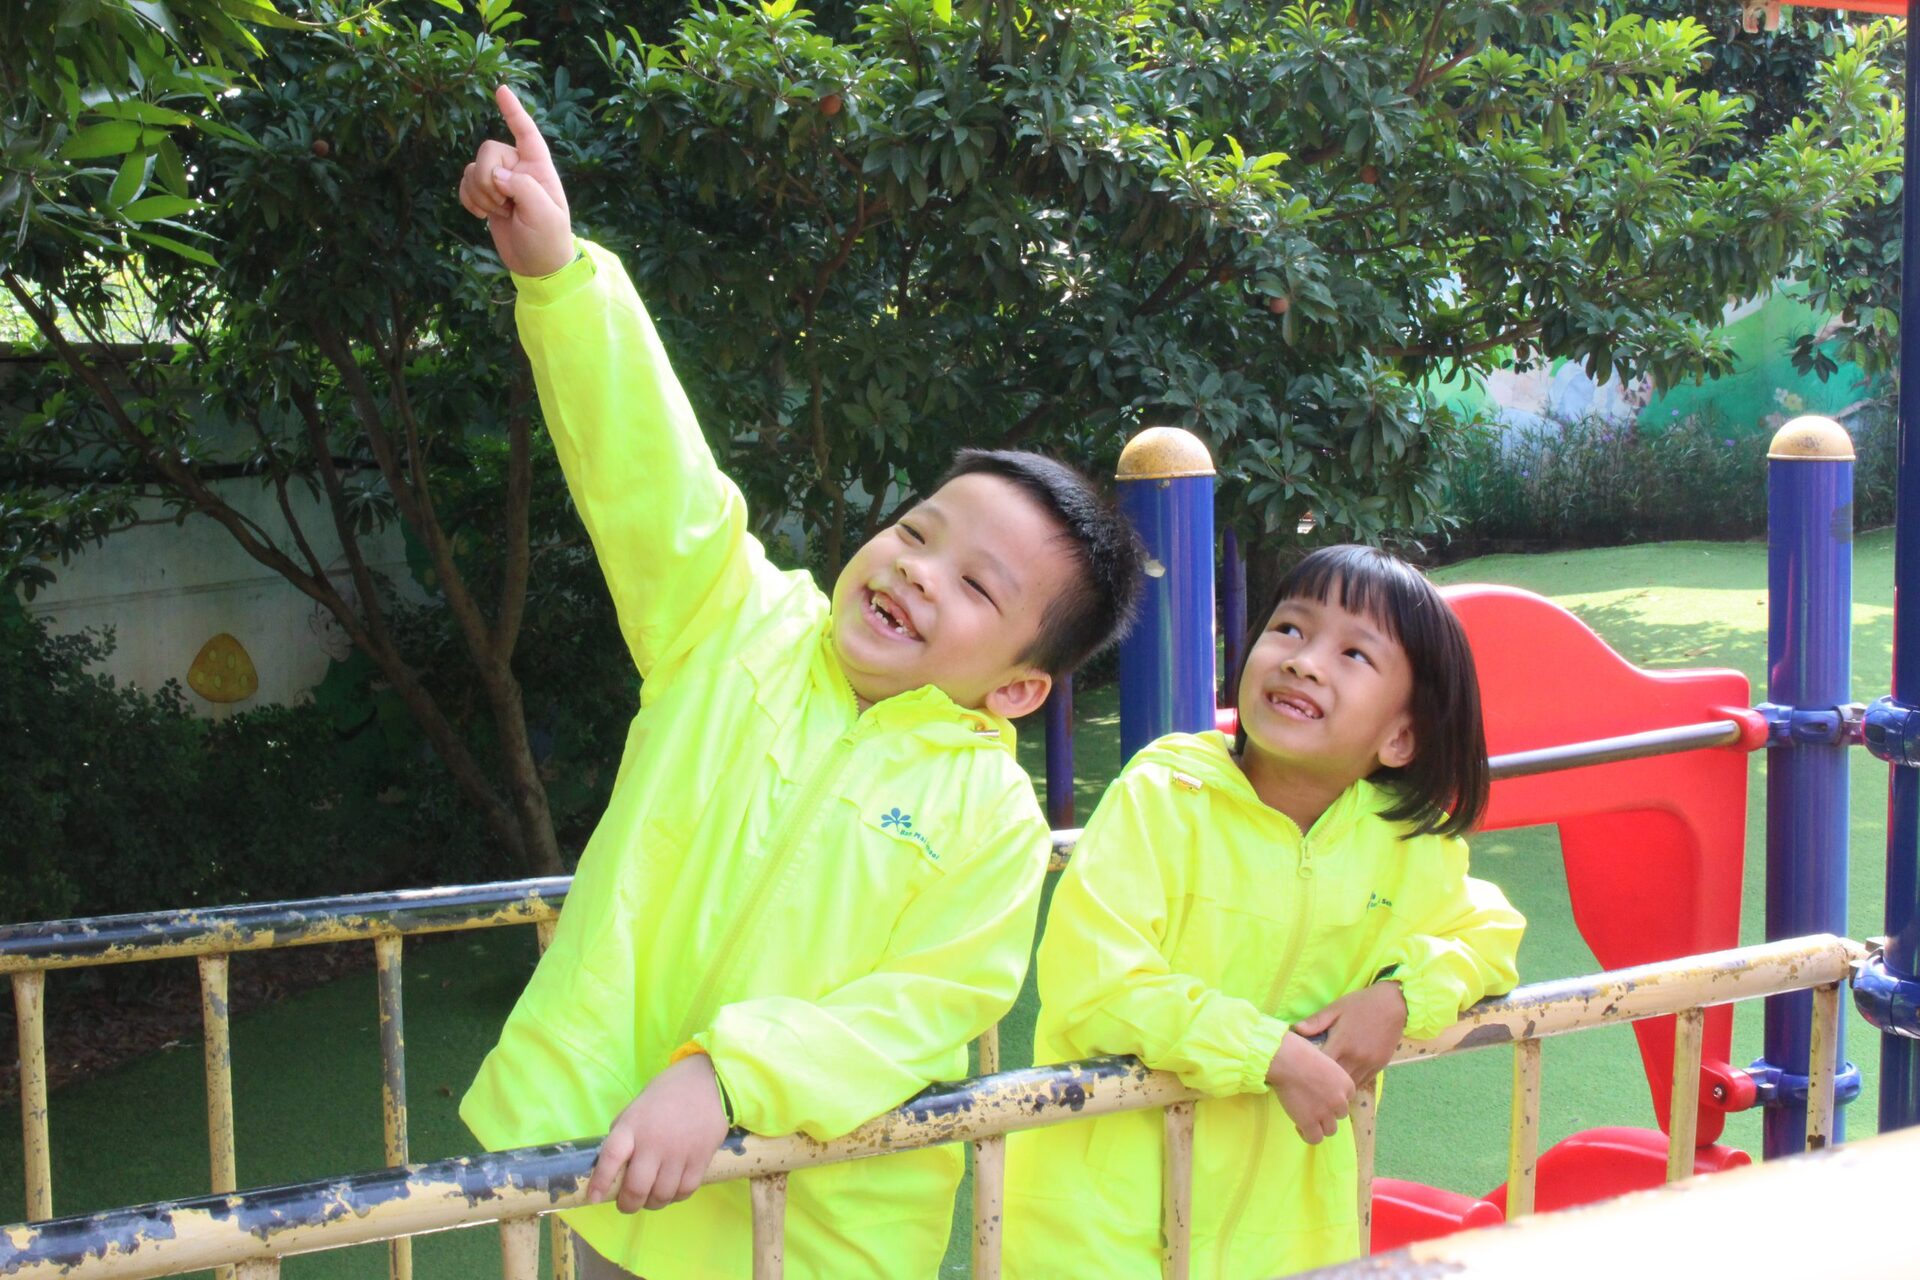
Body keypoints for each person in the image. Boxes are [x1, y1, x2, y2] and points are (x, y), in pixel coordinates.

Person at [454, 86, 1144, 1279]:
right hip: (607, 1157)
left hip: (809, 1227)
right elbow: (648, 468)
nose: (918, 572)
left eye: (977, 587)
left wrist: (727, 1073)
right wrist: (562, 278)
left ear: (1020, 689)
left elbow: (917, 1007)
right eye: (919, 531)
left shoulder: (993, 820)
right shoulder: (733, 622)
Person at [1003, 544, 1525, 1279]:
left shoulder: (1406, 845)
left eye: (1354, 654)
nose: (1304, 662)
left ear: (1401, 736)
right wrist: (1267, 1054)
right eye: (1289, 629)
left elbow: (1490, 932)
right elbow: (1096, 983)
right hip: (1101, 1230)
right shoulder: (1165, 797)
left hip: (1288, 1235)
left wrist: (1403, 997)